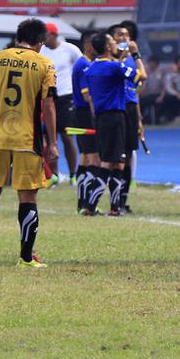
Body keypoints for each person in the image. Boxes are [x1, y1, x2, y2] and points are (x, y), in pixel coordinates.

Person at [0, 18, 58, 270]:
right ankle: (26, 256)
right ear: (40, 42)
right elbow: (49, 105)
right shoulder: (44, 64)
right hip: (26, 139)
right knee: (27, 197)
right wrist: (52, 142)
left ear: (18, 36)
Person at [80, 32, 137, 215]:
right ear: (106, 47)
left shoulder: (91, 69)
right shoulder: (113, 67)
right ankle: (90, 205)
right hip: (115, 118)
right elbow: (134, 75)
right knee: (107, 164)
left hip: (101, 118)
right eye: (113, 42)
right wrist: (131, 56)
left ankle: (114, 207)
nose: (116, 44)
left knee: (117, 163)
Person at [111, 21, 147, 213]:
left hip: (131, 107)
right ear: (111, 40)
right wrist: (125, 53)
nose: (124, 38)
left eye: (126, 35)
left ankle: (123, 200)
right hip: (117, 107)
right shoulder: (110, 59)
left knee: (129, 155)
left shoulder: (132, 58)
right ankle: (114, 201)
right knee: (118, 156)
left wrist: (139, 118)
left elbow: (141, 80)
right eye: (119, 35)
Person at [41, 23, 82, 184]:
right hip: (47, 97)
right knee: (50, 138)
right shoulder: (41, 51)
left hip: (66, 96)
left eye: (46, 35)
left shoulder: (69, 49)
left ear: (54, 35)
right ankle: (55, 175)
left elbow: (81, 68)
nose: (44, 39)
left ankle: (73, 174)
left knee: (67, 136)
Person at [70, 32, 101, 211]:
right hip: (84, 114)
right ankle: (88, 203)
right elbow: (87, 94)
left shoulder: (83, 63)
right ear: (88, 45)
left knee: (85, 157)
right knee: (93, 158)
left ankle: (82, 202)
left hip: (79, 112)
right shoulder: (85, 64)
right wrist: (96, 115)